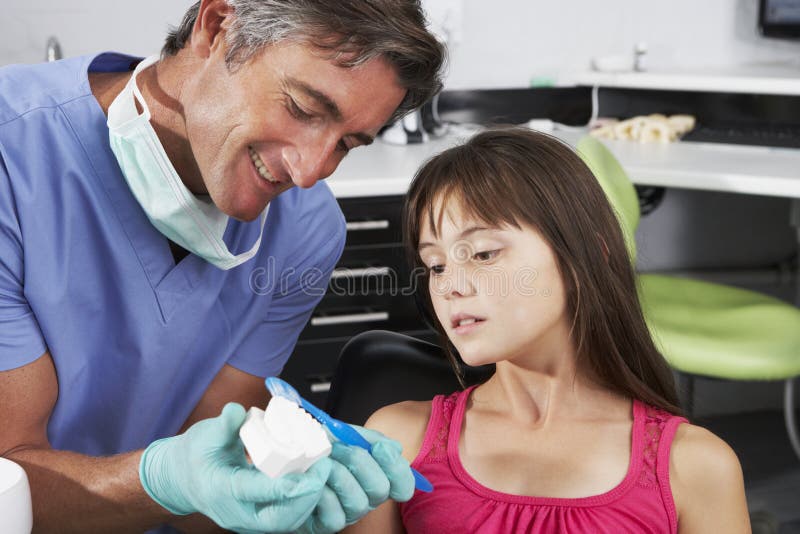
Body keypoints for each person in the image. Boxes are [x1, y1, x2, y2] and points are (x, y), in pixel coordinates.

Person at [0, 0, 444, 532]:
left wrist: (280, 480)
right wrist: (168, 480)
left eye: (346, 144)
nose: (310, 171)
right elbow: (10, 482)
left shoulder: (305, 229)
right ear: (216, 29)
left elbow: (208, 485)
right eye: (304, 108)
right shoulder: (14, 160)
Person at [343, 128, 751, 533]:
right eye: (436, 265)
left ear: (585, 259)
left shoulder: (696, 468)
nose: (452, 285)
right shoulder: (395, 444)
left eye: (484, 253)